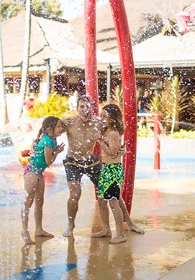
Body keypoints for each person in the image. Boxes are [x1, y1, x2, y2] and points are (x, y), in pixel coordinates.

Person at [60, 95, 111, 237]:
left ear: (92, 109)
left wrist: (116, 146)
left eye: (88, 107)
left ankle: (107, 227)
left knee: (106, 190)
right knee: (75, 194)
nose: (85, 110)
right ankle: (70, 225)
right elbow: (50, 129)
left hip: (90, 161)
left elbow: (114, 131)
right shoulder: (69, 122)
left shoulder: (98, 122)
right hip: (72, 161)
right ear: (77, 109)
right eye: (81, 106)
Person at [95, 104, 145, 244]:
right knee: (101, 200)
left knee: (113, 202)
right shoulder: (106, 130)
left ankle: (120, 234)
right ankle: (106, 229)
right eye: (101, 115)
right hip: (106, 169)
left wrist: (100, 141)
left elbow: (111, 153)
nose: (102, 118)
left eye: (105, 116)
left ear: (113, 118)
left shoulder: (113, 133)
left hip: (112, 170)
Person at [21, 116, 66, 245]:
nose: (61, 128)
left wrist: (56, 150)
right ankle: (24, 231)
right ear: (49, 129)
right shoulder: (47, 141)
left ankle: (39, 229)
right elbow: (48, 162)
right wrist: (57, 152)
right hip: (32, 170)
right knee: (28, 201)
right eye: (58, 126)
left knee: (39, 201)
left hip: (39, 172)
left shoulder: (53, 139)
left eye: (60, 126)